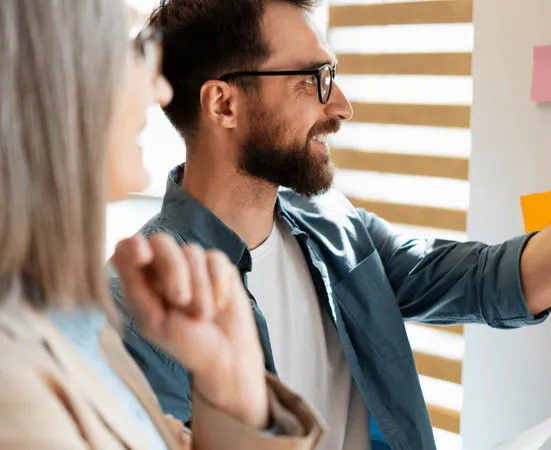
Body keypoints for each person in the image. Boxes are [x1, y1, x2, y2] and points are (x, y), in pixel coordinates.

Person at [109, 0, 551, 449]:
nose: (343, 106)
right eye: (315, 79)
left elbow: (502, 281)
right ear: (223, 103)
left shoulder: (338, 229)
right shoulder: (143, 300)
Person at [0, 1, 324, 448]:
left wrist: (230, 391)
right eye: (136, 47)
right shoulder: (15, 391)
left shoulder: (74, 325)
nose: (161, 91)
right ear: (51, 75)